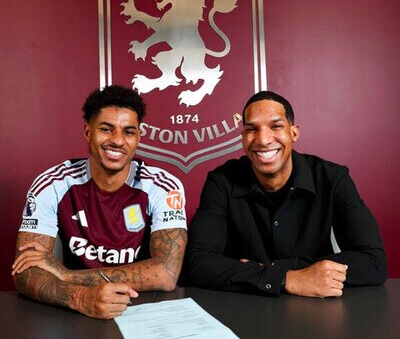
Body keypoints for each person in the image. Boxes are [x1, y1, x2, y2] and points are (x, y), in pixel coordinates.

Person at [187, 91, 386, 298]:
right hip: (243, 305)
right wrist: (287, 278)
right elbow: (197, 263)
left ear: (294, 133)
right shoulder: (221, 181)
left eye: (276, 126)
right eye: (252, 129)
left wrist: (267, 270)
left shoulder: (332, 178)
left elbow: (373, 262)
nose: (263, 140)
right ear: (243, 137)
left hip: (316, 307)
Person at [12, 85, 187, 318]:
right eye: (106, 129)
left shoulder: (162, 186)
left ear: (138, 137)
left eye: (128, 132)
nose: (117, 141)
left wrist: (65, 275)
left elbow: (166, 274)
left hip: (142, 309)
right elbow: (25, 271)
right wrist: (80, 297)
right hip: (74, 310)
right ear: (88, 132)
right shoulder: (52, 184)